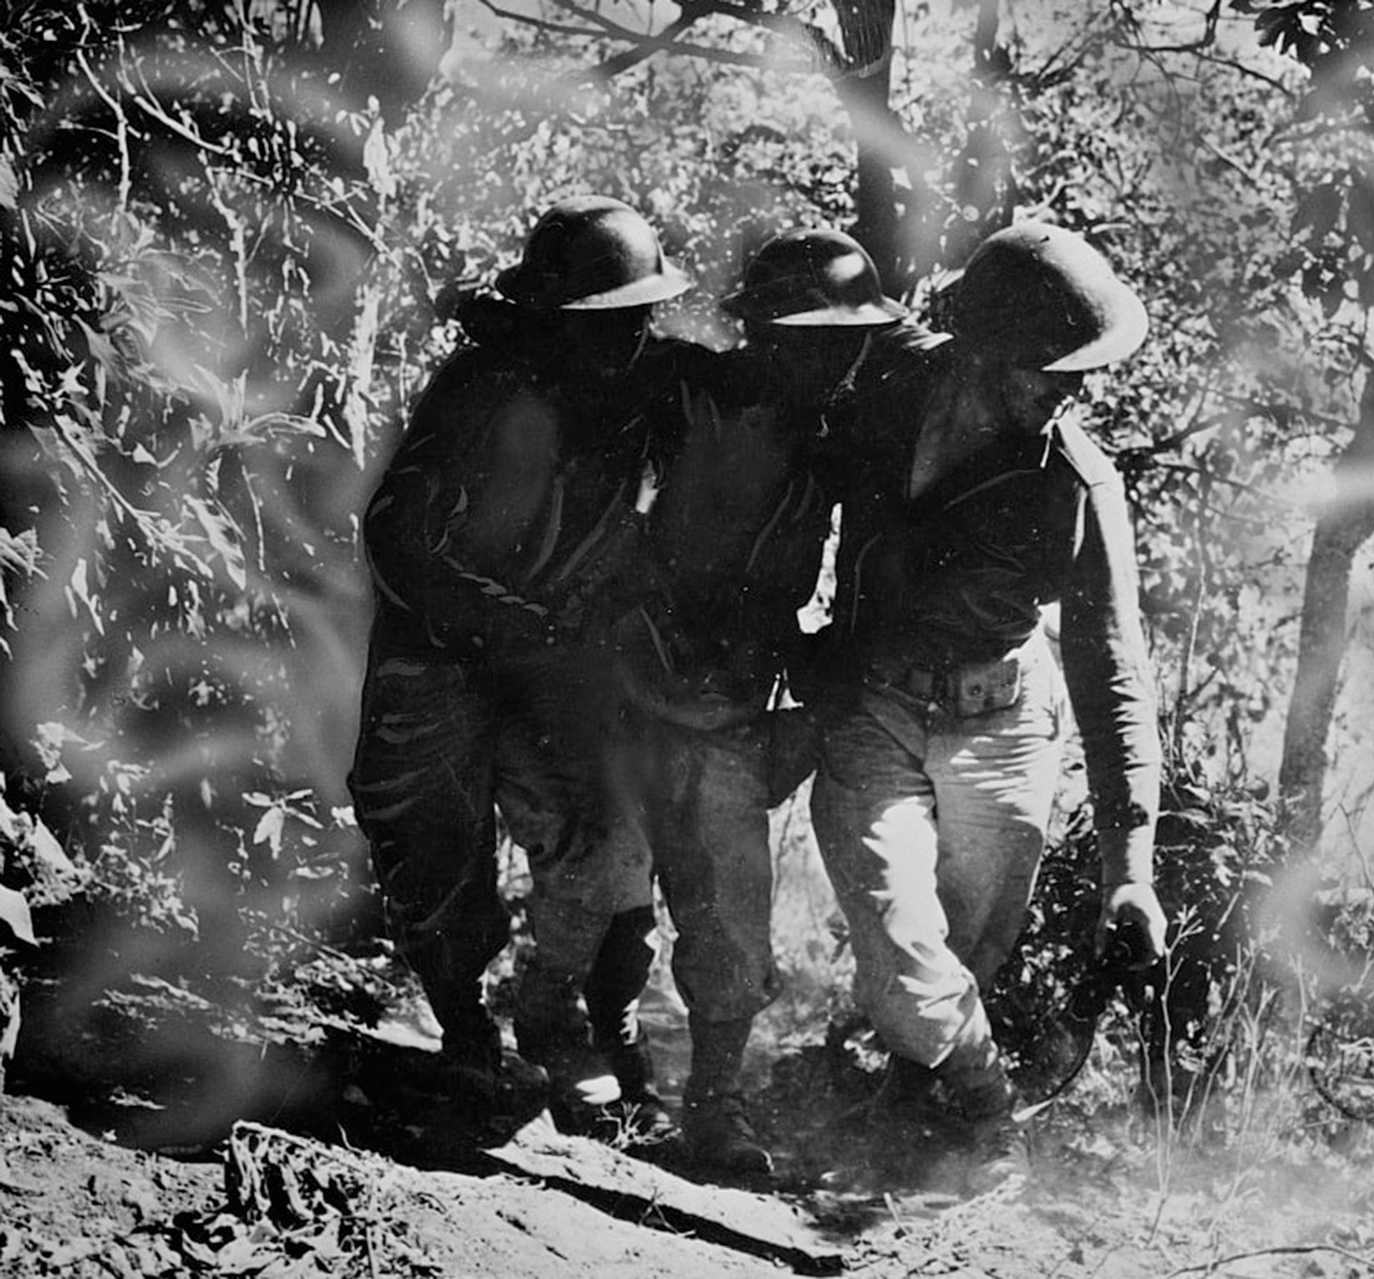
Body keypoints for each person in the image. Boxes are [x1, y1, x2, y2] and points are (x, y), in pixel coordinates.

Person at [808, 221, 1169, 1192]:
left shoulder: (1077, 485)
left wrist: (1126, 869)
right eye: (1052, 366)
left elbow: (1112, 668)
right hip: (874, 707)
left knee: (967, 947)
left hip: (1005, 726)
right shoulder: (875, 395)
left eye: (1084, 370)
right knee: (905, 945)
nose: (1074, 389)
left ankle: (903, 1117)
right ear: (979, 347)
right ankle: (986, 1106)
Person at [347, 195, 693, 1128]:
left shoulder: (646, 394)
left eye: (637, 321)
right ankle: (466, 1031)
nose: (625, 342)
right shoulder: (482, 390)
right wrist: (502, 626)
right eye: (603, 324)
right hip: (444, 658)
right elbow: (399, 533)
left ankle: (590, 1029)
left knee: (612, 845)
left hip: (560, 666)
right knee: (432, 846)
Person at [605, 227, 906, 1173]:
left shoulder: (830, 447)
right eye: (813, 338)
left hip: (728, 708)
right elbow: (579, 360)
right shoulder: (679, 386)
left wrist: (814, 664)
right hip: (619, 689)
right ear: (764, 334)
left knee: (733, 912)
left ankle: (714, 1105)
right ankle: (594, 1050)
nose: (836, 358)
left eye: (845, 341)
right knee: (602, 892)